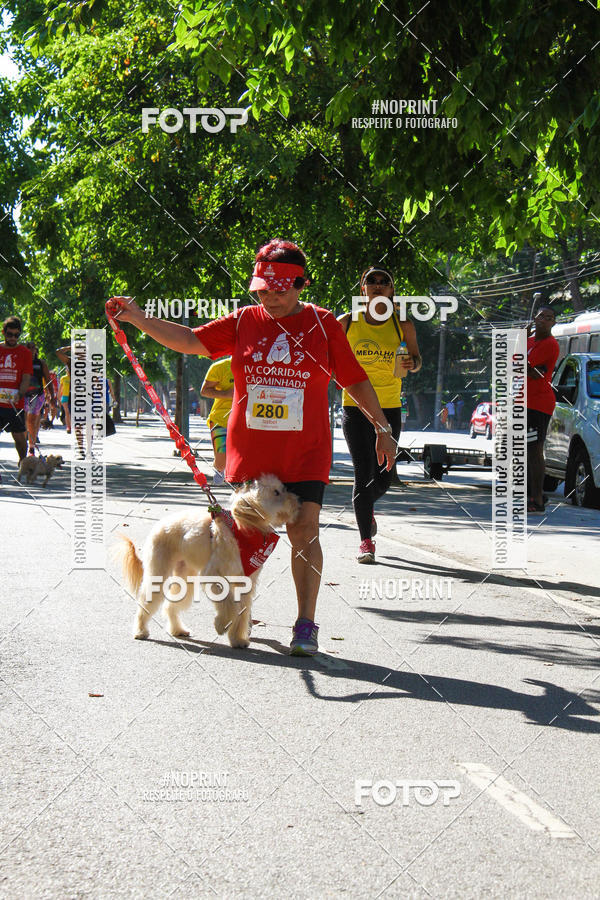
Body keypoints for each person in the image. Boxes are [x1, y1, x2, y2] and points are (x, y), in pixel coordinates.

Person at [108, 239, 397, 656]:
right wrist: (138, 318)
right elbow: (189, 339)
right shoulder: (244, 320)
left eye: (279, 290)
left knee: (304, 531)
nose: (269, 298)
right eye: (262, 290)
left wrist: (382, 428)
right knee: (240, 541)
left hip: (305, 452)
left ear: (300, 284)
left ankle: (305, 623)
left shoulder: (323, 325)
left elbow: (354, 379)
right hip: (252, 455)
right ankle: (240, 611)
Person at [338, 266, 421, 563]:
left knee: (384, 477)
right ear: (363, 290)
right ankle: (365, 541)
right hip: (355, 406)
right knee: (363, 473)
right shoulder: (347, 322)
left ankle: (365, 505)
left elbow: (417, 360)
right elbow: (330, 361)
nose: (377, 285)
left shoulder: (403, 325)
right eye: (370, 281)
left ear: (391, 290)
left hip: (389, 407)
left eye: (384, 281)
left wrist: (412, 363)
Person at [527, 304, 559, 513]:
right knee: (523, 449)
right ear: (535, 319)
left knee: (534, 449)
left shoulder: (550, 344)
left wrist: (521, 363)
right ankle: (533, 493)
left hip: (538, 403)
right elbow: (514, 364)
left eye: (549, 318)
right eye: (541, 316)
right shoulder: (529, 341)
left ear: (553, 323)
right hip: (522, 401)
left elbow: (533, 371)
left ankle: (537, 499)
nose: (544, 320)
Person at [0, 316, 33, 463]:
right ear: (3, 332)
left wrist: (20, 393)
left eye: (16, 335)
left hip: (15, 402)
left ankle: (23, 462)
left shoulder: (25, 353)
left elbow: (26, 377)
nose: (13, 338)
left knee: (19, 437)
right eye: (9, 334)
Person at [200, 356, 234, 484]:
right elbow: (204, 391)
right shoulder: (220, 367)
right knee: (221, 463)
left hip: (247, 421)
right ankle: (219, 467)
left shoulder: (256, 366)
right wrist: (226, 394)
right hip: (221, 420)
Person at [24, 341, 56, 455]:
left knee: (32, 420)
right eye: (28, 347)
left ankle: (31, 447)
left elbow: (48, 380)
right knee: (24, 421)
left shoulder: (41, 363)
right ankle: (24, 445)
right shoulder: (21, 361)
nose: (31, 350)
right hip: (23, 395)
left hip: (37, 395)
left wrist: (52, 397)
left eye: (33, 348)